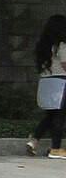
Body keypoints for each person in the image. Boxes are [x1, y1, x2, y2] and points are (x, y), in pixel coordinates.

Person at [29, 14, 66, 159]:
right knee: (60, 116)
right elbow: (65, 64)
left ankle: (34, 141)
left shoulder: (44, 45)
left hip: (46, 81)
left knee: (51, 115)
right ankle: (55, 149)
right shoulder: (62, 45)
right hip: (61, 82)